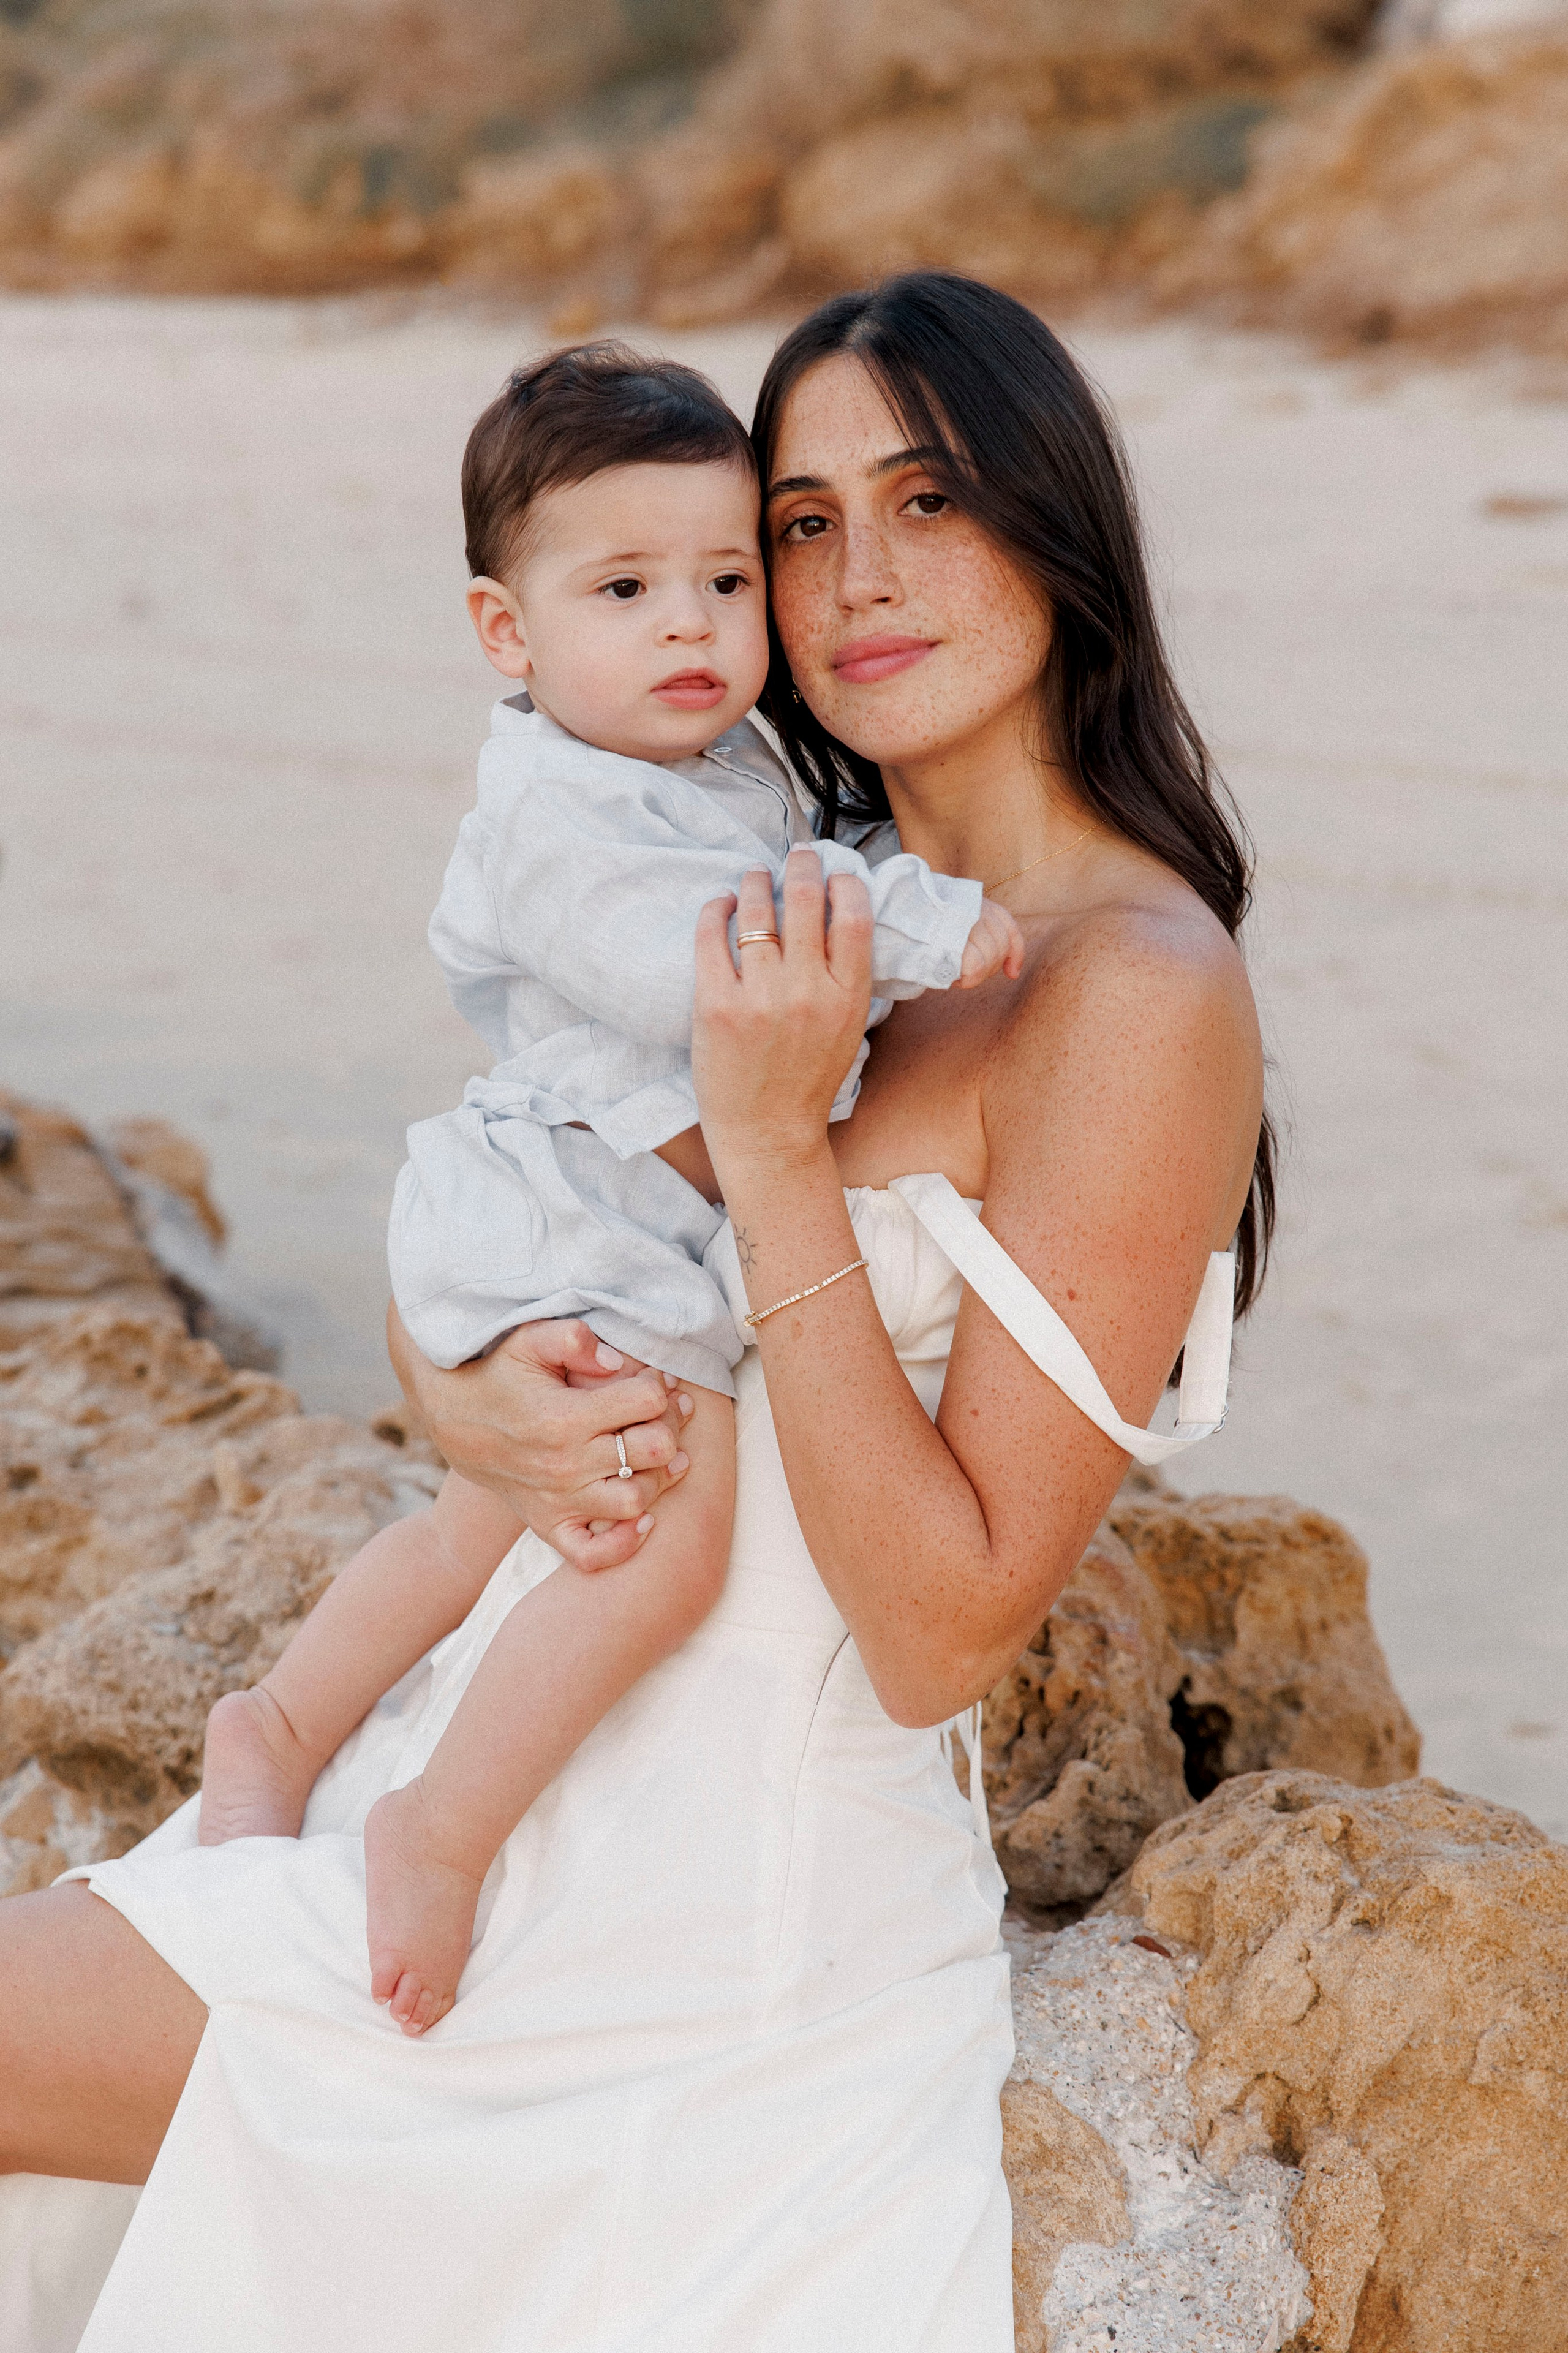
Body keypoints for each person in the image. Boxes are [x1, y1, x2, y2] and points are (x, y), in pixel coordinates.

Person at [0, 271, 1270, 2353]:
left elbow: (945, 1627)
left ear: (1057, 521)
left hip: (696, 1906)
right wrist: (469, 1391)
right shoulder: (775, 870)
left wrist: (776, 1154)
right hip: (484, 1745)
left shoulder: (1138, 986)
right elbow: (526, 1187)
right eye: (800, 521)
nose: (856, 575)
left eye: (929, 500)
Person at [195, 342, 1021, 2038]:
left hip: (599, 1211)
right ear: (508, 633)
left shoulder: (725, 761)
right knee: (663, 1545)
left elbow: (817, 847)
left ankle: (278, 1720)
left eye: (727, 579)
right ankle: (440, 1825)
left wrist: (889, 872)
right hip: (577, 1213)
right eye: (628, 586)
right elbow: (694, 969)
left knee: (477, 1517)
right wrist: (927, 929)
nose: (692, 627)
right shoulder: (556, 808)